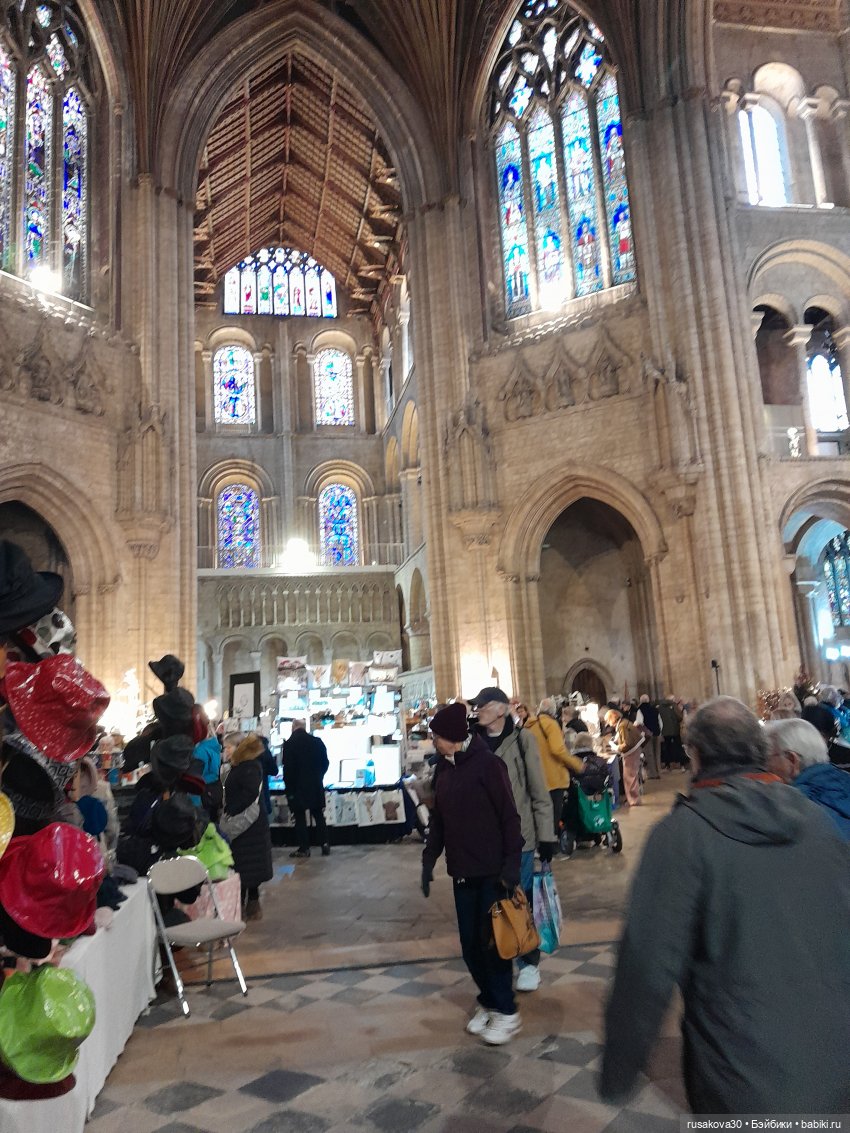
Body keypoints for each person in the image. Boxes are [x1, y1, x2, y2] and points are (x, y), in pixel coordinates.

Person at [600, 696, 850, 1114]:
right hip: (837, 1063)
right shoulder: (816, 820)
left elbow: (646, 964)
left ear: (695, 755)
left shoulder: (682, 834)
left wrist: (618, 1071)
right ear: (760, 751)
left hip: (741, 1075)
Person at [421, 702, 523, 1045]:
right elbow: (438, 820)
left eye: (437, 736)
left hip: (492, 872)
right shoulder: (444, 769)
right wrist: (429, 859)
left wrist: (511, 866)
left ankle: (507, 1011)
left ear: (452, 736)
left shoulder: (488, 765)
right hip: (463, 872)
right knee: (470, 947)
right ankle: (490, 1001)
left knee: (493, 945)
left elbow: (509, 817)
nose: (433, 741)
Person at [470, 687, 555, 994]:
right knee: (490, 903)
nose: (478, 710)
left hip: (519, 837)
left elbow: (538, 789)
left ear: (501, 709)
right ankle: (500, 956)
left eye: (483, 706)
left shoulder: (522, 740)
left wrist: (546, 835)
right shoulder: (474, 743)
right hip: (484, 839)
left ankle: (528, 962)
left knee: (519, 900)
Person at [766, 717, 850, 839]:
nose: (765, 765)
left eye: (767, 757)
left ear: (792, 760)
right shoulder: (844, 779)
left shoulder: (794, 812)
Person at [220, 733, 273, 920]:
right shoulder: (244, 765)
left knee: (244, 866)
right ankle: (248, 906)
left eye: (228, 747)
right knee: (247, 866)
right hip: (249, 823)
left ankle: (245, 907)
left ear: (239, 747)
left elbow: (249, 794)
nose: (225, 751)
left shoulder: (248, 767)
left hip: (248, 824)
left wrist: (231, 810)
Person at [524, 697, 585, 843]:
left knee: (539, 813)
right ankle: (551, 844)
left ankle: (540, 843)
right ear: (553, 711)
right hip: (553, 777)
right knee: (553, 814)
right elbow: (558, 750)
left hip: (535, 775)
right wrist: (577, 764)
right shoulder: (551, 725)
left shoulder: (529, 726)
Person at [282, 720, 330, 857]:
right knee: (318, 815)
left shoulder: (289, 744)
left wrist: (289, 788)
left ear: (293, 727)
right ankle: (324, 844)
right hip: (315, 785)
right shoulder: (317, 742)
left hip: (297, 787)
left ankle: (304, 848)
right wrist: (318, 776)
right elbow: (325, 763)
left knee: (300, 817)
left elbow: (288, 769)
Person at [605, 708, 643, 806]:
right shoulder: (624, 723)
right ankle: (632, 799)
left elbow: (627, 743)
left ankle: (633, 800)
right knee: (631, 776)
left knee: (629, 777)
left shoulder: (622, 726)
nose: (608, 723)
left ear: (612, 718)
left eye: (608, 720)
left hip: (631, 752)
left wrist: (616, 747)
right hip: (634, 751)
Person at [802, 703, 850, 772]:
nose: (814, 740)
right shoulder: (798, 756)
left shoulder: (845, 757)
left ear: (829, 734)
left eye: (821, 735)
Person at [635, 694, 661, 779]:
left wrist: (641, 733)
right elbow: (660, 722)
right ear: (648, 700)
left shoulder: (640, 710)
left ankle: (652, 773)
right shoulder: (655, 709)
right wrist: (659, 731)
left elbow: (639, 723)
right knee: (657, 754)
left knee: (649, 754)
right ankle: (658, 772)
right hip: (656, 733)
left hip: (647, 735)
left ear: (640, 701)